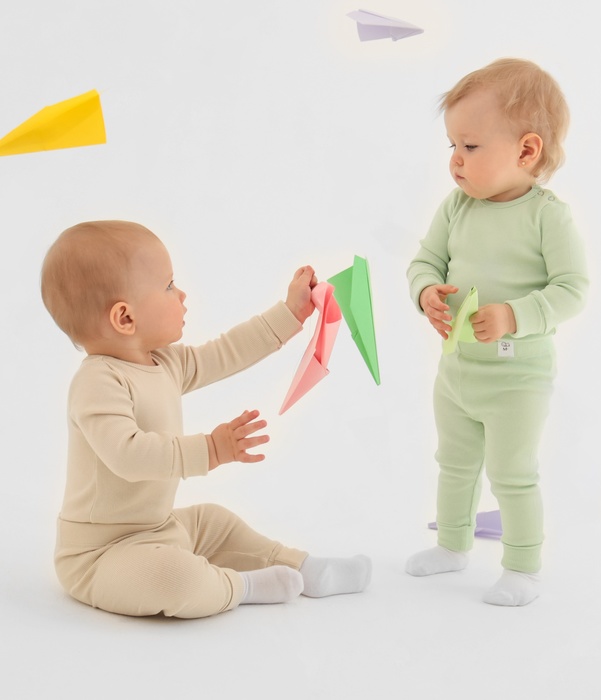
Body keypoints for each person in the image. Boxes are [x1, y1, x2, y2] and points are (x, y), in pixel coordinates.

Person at [41, 220, 371, 619]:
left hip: (159, 528)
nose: (181, 295)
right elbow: (127, 455)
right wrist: (210, 450)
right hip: (100, 556)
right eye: (168, 286)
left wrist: (290, 314)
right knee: (175, 578)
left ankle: (303, 567)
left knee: (215, 522)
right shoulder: (97, 381)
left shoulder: (164, 362)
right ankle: (243, 586)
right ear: (125, 318)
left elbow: (225, 352)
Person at [405, 58, 588, 606]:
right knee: (454, 463)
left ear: (526, 151)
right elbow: (424, 262)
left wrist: (514, 315)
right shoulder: (456, 206)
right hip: (457, 372)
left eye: (470, 146)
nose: (455, 160)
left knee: (512, 472)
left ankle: (523, 567)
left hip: (516, 378)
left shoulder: (547, 217)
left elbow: (572, 290)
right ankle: (452, 544)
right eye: (452, 146)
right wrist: (425, 292)